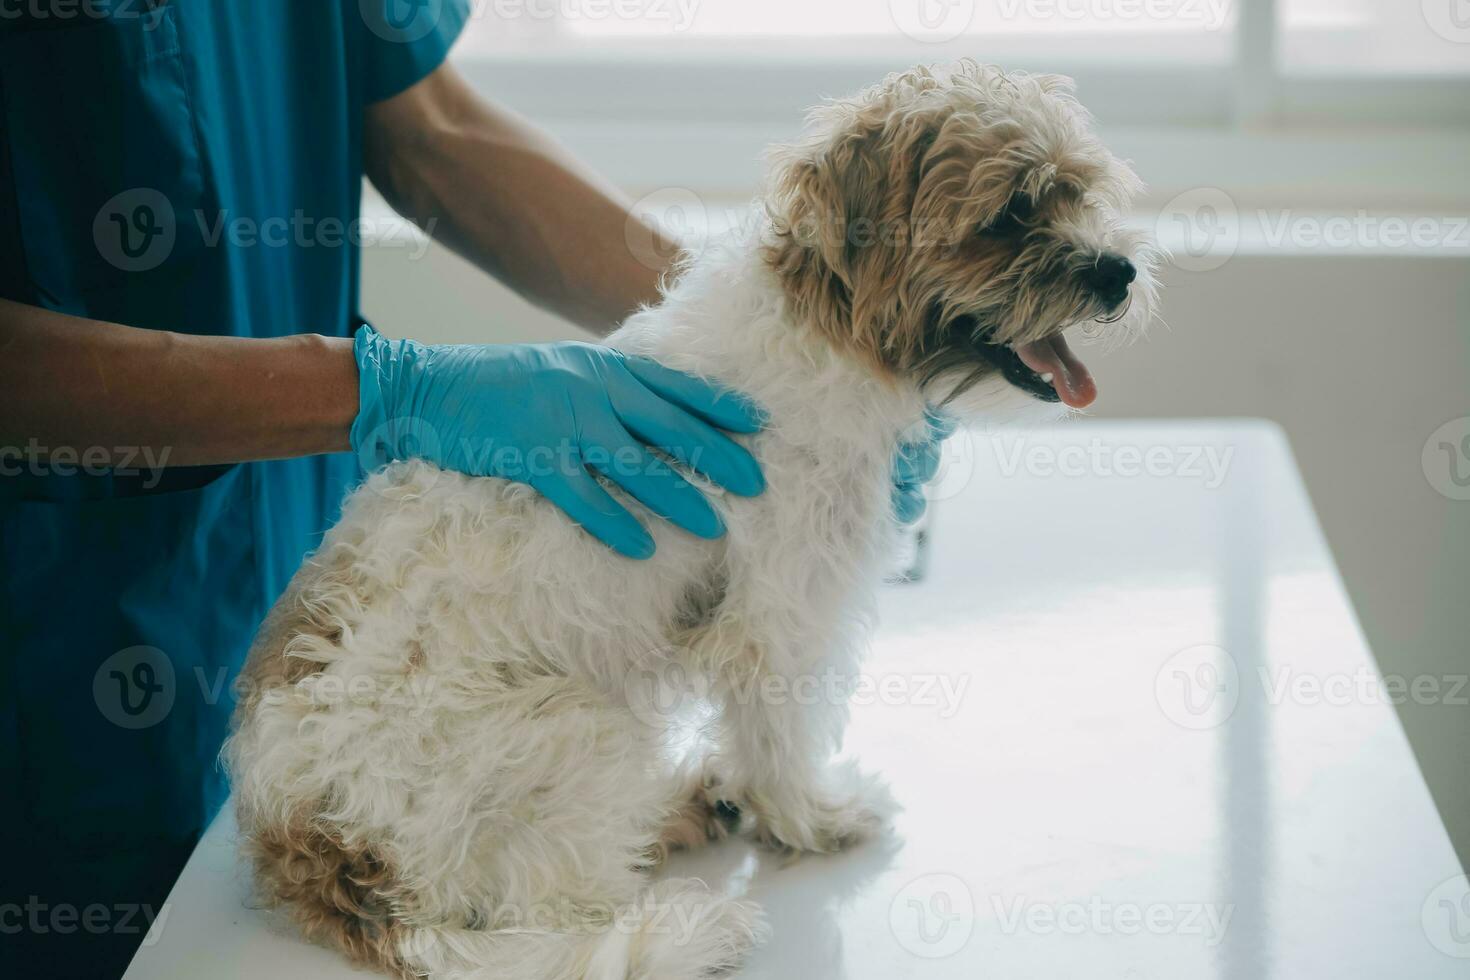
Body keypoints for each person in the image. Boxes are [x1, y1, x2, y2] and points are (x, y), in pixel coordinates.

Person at [0, 5, 945, 975]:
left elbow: (434, 129)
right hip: (62, 654)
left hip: (320, 618)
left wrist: (771, 338)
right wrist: (386, 387)